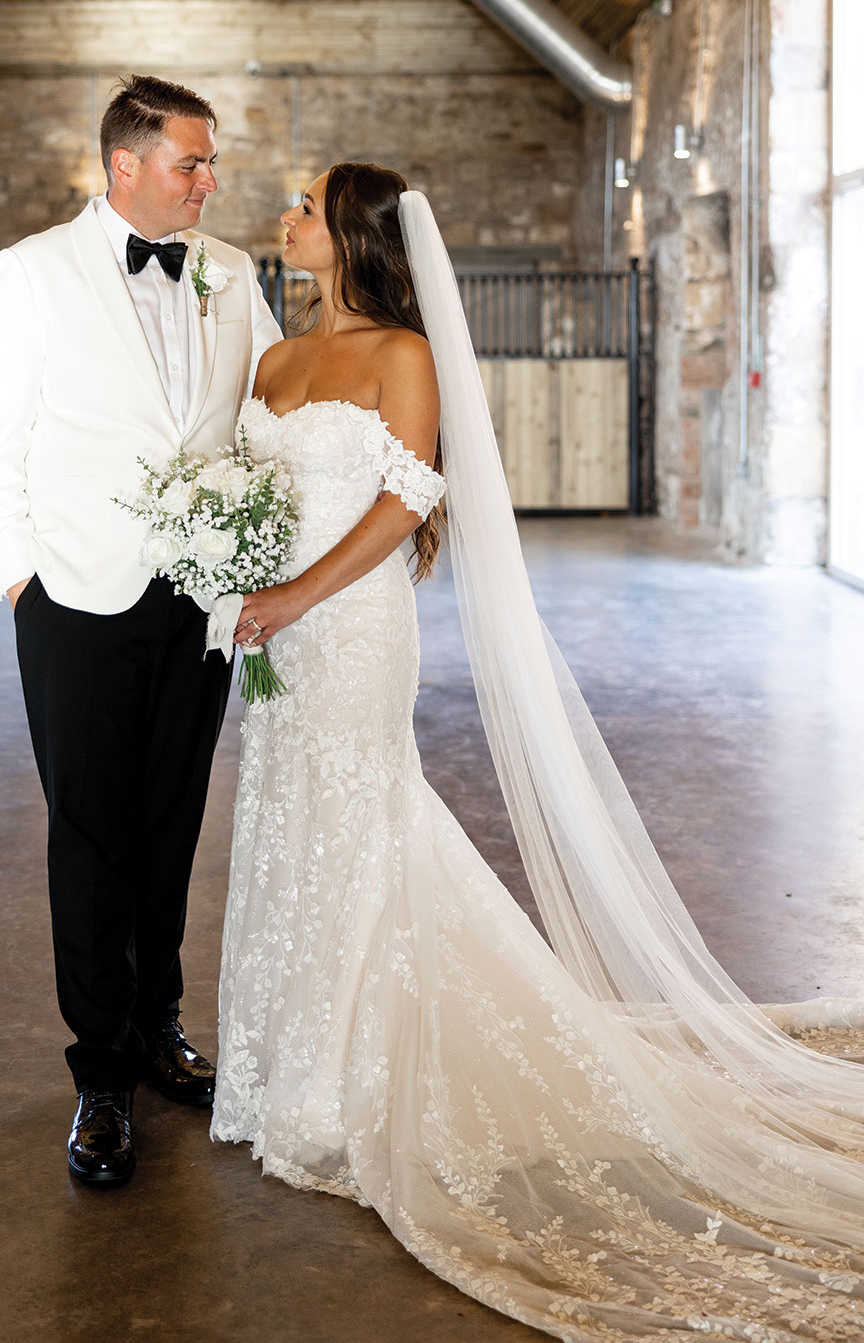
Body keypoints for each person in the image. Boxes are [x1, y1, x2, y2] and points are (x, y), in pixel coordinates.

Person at [217, 161, 864, 1339]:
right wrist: (230, 567)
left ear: (355, 234)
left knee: (364, 820)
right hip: (274, 633)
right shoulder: (270, 359)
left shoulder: (403, 357)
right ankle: (284, 1067)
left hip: (349, 627)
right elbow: (245, 493)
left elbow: (406, 503)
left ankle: (354, 1078)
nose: (287, 217)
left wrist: (297, 594)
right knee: (283, 818)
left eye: (307, 206)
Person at [0, 74, 281, 1188]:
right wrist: (22, 585)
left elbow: (263, 420)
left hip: (197, 603)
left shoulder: (235, 276)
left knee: (170, 823)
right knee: (89, 831)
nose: (210, 181)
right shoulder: (31, 273)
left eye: (210, 163)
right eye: (192, 161)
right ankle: (100, 1072)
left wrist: (256, 549)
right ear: (124, 166)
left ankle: (159, 1028)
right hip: (76, 601)